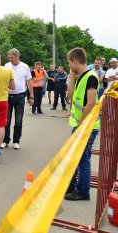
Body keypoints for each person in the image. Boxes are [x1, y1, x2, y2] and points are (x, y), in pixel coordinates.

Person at [64, 48, 99, 201]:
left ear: (75, 61)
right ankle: (71, 186)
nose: (69, 65)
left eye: (69, 62)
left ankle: (83, 191)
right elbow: (70, 96)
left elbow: (91, 103)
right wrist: (71, 78)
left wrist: (80, 124)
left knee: (83, 159)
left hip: (86, 126)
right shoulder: (80, 77)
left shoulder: (91, 77)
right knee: (74, 156)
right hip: (80, 124)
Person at [1, 48, 34, 149]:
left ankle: (16, 141)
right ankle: (5, 140)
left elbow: (29, 82)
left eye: (11, 57)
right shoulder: (6, 66)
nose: (10, 59)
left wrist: (31, 96)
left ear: (17, 56)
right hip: (7, 96)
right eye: (9, 57)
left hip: (20, 97)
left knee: (18, 120)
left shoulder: (25, 67)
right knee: (6, 121)